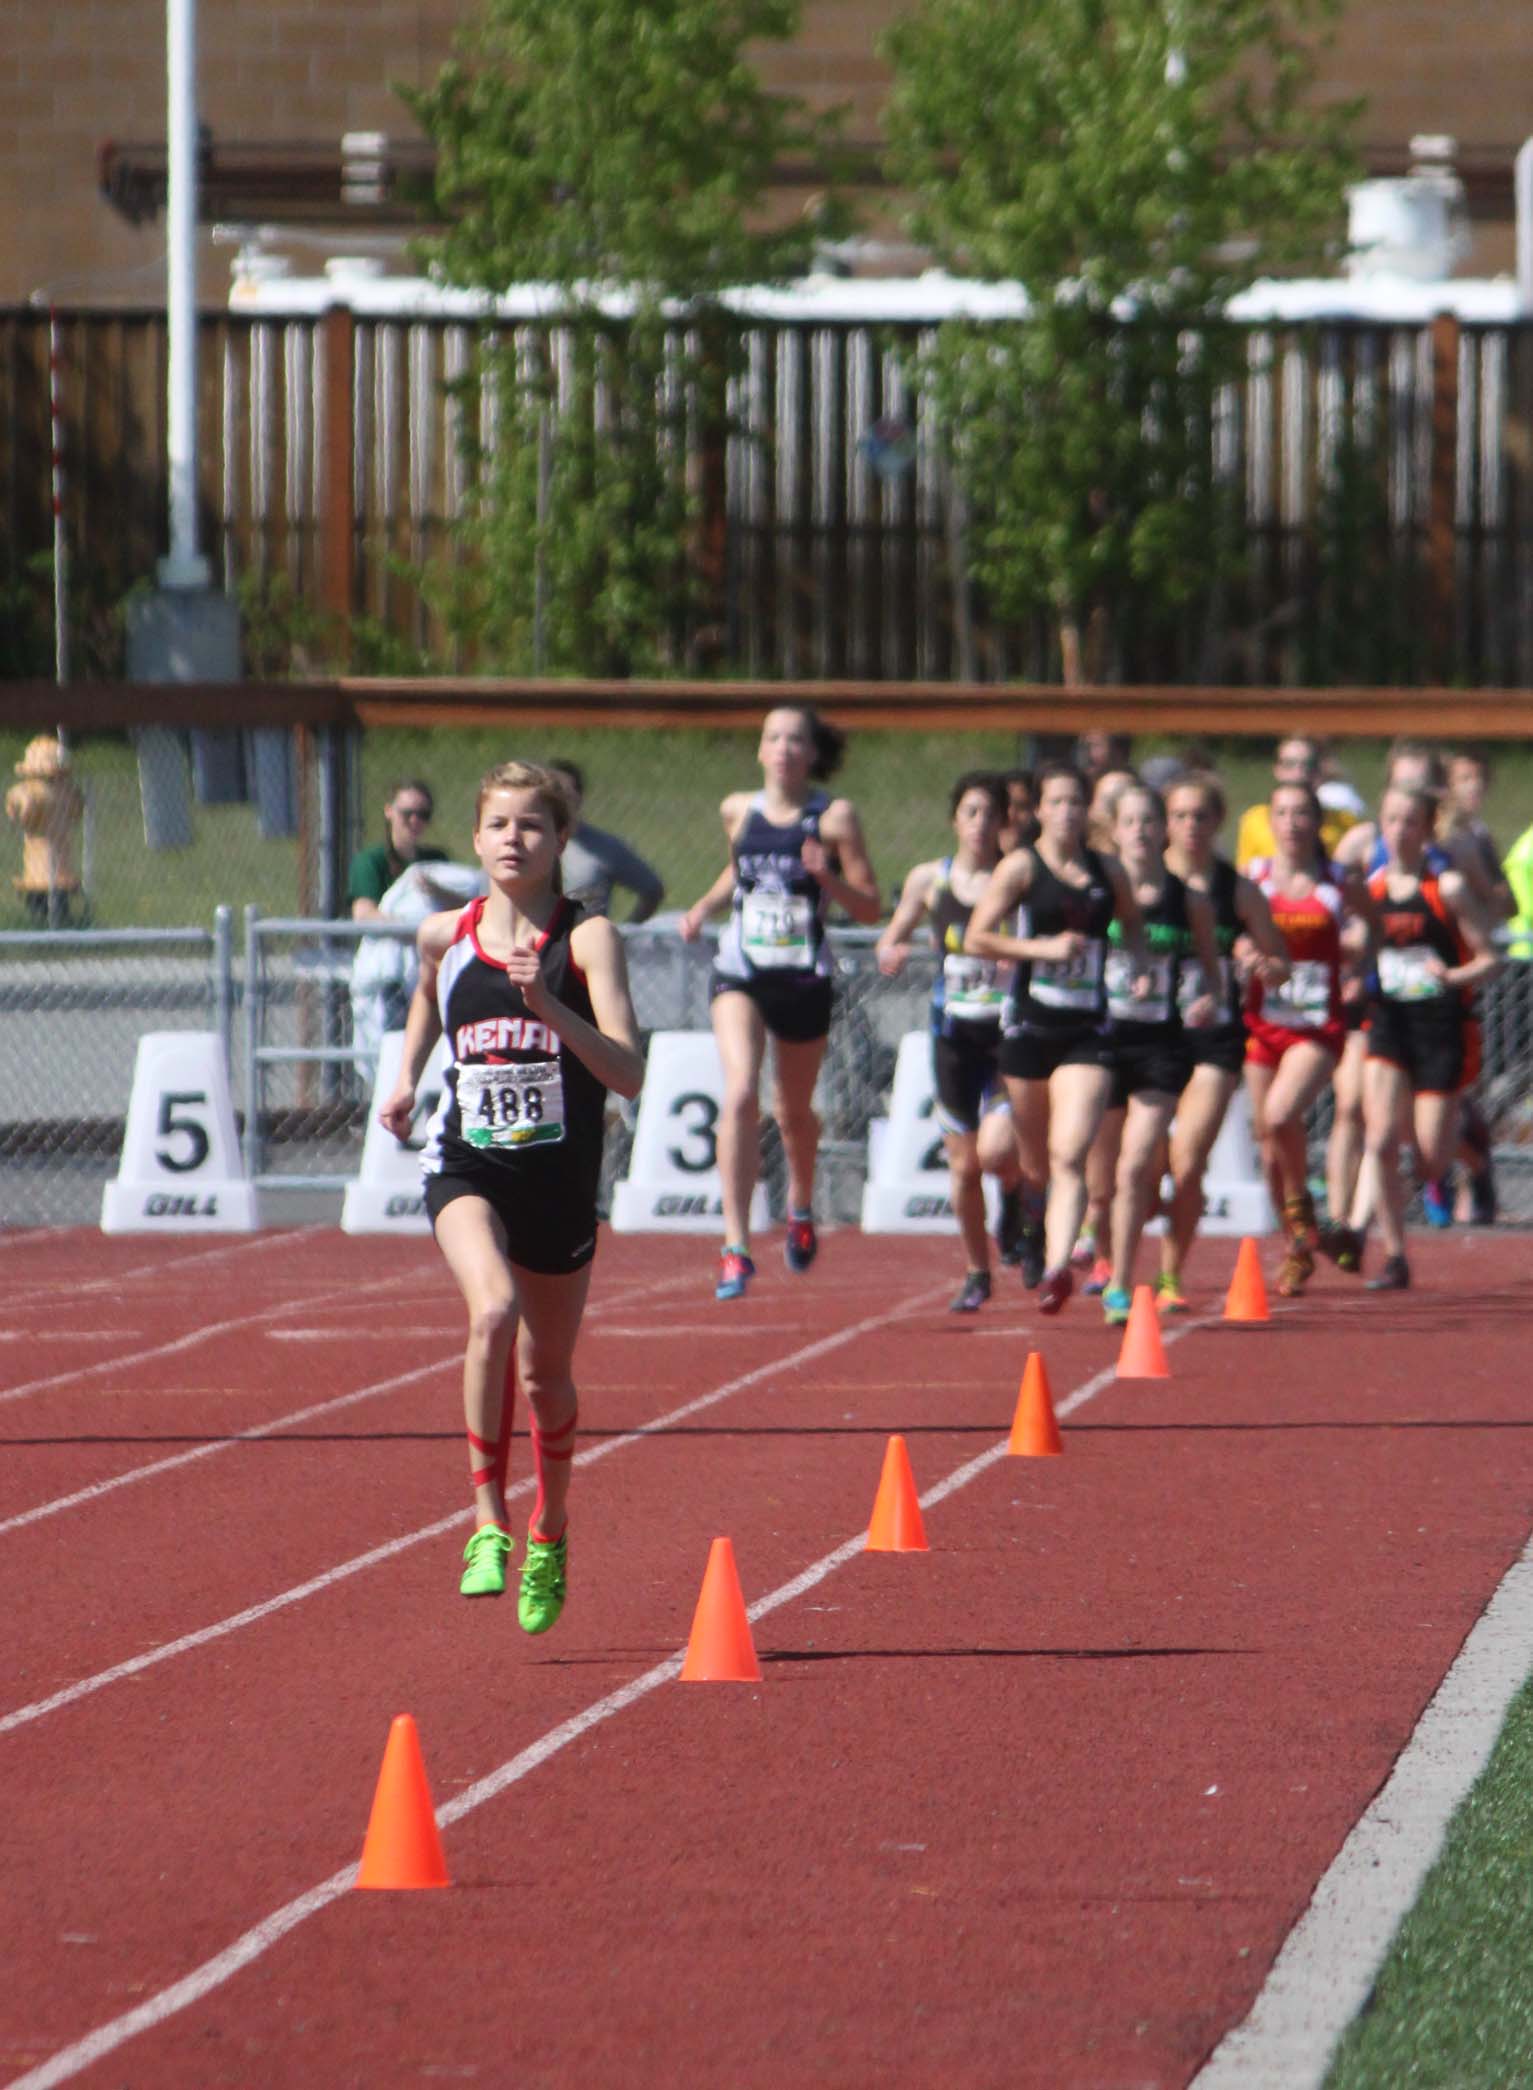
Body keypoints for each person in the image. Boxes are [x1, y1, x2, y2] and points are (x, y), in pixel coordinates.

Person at [379, 761, 644, 1624]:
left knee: (547, 1378)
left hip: (559, 1183)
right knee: (490, 1312)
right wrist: (408, 1077)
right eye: (497, 825)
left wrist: (550, 1008)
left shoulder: (588, 939)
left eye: (531, 825)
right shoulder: (444, 934)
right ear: (478, 835)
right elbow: (429, 996)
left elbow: (630, 1073)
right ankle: (486, 1518)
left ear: (560, 839)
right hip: (469, 1165)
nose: (512, 840)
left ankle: (550, 1528)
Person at [679, 705, 880, 1301]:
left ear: (812, 753)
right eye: (775, 738)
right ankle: (735, 1245)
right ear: (761, 750)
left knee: (793, 1110)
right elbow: (736, 872)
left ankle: (799, 1204)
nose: (785, 748)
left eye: (797, 739)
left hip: (802, 976)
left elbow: (870, 907)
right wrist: (703, 908)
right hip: (740, 969)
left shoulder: (835, 817)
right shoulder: (737, 809)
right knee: (740, 1091)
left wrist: (828, 880)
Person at [965, 762, 1150, 1315]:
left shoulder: (1106, 870)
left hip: (1086, 1033)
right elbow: (977, 936)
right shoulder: (1022, 867)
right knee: (1035, 1166)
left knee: (1070, 1153)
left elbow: (1133, 925)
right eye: (1058, 802)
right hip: (1027, 1029)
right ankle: (1024, 1211)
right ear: (1039, 811)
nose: (1068, 812)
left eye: (1077, 802)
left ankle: (1055, 1268)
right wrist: (1043, 951)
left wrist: (1136, 964)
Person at [1326, 784, 1500, 1290]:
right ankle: (1395, 1255)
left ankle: (1473, 1157)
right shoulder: (1372, 891)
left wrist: (1452, 978)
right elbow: (1360, 943)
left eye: (1410, 822)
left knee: (1427, 1160)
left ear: (1426, 830)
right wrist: (1345, 960)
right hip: (1389, 1024)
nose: (1399, 831)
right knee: (1377, 1137)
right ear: (1380, 827)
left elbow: (1490, 957)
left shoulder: (1446, 890)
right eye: (1391, 820)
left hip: (1441, 1030)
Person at [877, 771, 1030, 1312]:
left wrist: (1018, 951)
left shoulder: (1017, 879)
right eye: (971, 813)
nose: (980, 824)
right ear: (954, 821)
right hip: (953, 1036)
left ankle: (1012, 1200)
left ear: (1004, 823)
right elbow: (892, 935)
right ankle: (976, 1269)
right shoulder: (929, 880)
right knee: (964, 1167)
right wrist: (892, 950)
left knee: (997, 1151)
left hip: (1007, 1033)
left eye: (991, 814)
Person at [1090, 783, 1223, 1326]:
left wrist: (1206, 1000)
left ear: (1162, 830)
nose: (1142, 832)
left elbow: (1212, 974)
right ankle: (1100, 1254)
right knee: (1099, 1184)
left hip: (1159, 1046)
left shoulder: (1187, 900)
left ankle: (1122, 1284)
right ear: (1114, 831)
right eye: (1131, 822)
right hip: (1098, 1043)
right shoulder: (1094, 894)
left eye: (1151, 822)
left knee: (1137, 1164)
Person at [1157, 772, 1290, 1310]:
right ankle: (1115, 1239)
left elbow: (1282, 965)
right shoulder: (1136, 884)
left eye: (1201, 816)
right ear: (1166, 822)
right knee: (1140, 1163)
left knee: (1188, 1162)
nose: (1191, 826)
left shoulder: (1236, 890)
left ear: (1217, 823)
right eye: (1181, 815)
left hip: (1213, 1041)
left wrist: (1262, 964)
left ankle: (1169, 1278)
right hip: (1144, 1036)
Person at [1243, 779, 1369, 1297]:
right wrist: (1246, 958)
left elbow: (1371, 927)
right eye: (1283, 813)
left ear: (1317, 824)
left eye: (1302, 814)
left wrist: (1354, 952)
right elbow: (1233, 935)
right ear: (1268, 823)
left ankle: (1304, 1233)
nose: (1292, 823)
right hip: (1263, 1025)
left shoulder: (1339, 881)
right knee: (1268, 1147)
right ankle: (1306, 1241)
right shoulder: (1254, 879)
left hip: (1317, 1027)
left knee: (1279, 1115)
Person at [546, 759, 666, 923]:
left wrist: (624, 932)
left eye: (565, 795)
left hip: (584, 942)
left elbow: (653, 889)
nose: (558, 802)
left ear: (579, 798)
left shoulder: (604, 847)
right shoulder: (526, 843)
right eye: (551, 794)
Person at [1235, 737, 1357, 871]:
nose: (1299, 772)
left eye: (1308, 764)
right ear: (1277, 769)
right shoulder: (1254, 819)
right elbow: (1243, 873)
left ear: (1319, 770)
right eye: (1290, 764)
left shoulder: (1345, 821)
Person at [348, 778, 448, 919]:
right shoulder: (371, 861)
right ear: (389, 811)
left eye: (423, 814)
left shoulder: (436, 859)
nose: (415, 821)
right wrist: (412, 927)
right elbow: (364, 914)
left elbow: (460, 910)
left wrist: (440, 892)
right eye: (407, 814)